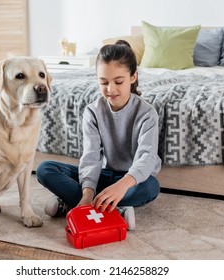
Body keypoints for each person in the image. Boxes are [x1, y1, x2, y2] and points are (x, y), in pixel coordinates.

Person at [36, 40, 161, 230]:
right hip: (103, 174)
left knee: (151, 187)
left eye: (118, 82)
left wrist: (122, 185)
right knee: (45, 169)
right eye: (103, 82)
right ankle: (111, 207)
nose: (111, 89)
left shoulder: (147, 113)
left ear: (133, 76)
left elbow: (147, 157)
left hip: (131, 178)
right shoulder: (93, 111)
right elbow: (91, 156)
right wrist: (87, 193)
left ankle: (72, 203)